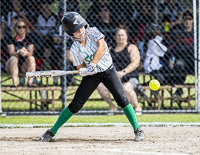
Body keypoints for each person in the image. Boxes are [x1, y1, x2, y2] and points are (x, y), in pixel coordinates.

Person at [39, 12, 145, 142]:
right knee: (75, 105)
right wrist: (83, 71)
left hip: (108, 71)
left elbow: (101, 47)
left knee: (122, 98)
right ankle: (52, 131)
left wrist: (93, 63)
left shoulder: (93, 31)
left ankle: (137, 130)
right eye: (77, 31)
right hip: (92, 75)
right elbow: (80, 67)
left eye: (81, 27)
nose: (81, 31)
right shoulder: (74, 49)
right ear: (71, 34)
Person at [96, 27, 143, 114]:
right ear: (115, 37)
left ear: (126, 37)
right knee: (100, 86)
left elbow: (135, 63)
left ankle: (137, 107)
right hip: (113, 76)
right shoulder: (110, 49)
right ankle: (112, 107)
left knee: (125, 88)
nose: (120, 37)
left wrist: (123, 72)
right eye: (118, 35)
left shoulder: (131, 47)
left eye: (122, 35)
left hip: (129, 77)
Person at [5, 18, 35, 86]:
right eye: (19, 27)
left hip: (24, 65)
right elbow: (11, 52)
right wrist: (19, 52)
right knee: (13, 58)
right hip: (11, 65)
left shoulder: (29, 37)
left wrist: (26, 53)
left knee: (31, 58)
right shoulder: (11, 37)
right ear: (15, 28)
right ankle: (14, 84)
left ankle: (30, 83)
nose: (21, 29)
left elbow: (30, 52)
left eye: (23, 27)